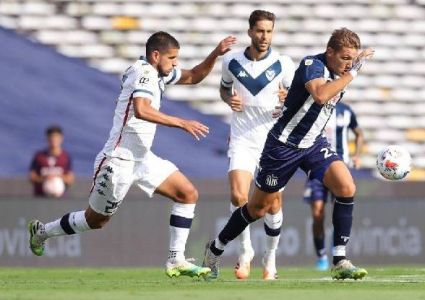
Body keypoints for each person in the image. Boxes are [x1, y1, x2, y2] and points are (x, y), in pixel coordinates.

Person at [28, 31, 236, 278]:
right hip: (119, 159)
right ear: (155, 55)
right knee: (96, 221)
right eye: (172, 58)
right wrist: (181, 122)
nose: (175, 63)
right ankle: (43, 231)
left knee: (187, 193)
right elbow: (141, 110)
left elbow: (193, 76)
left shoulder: (157, 74)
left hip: (142, 157)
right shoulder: (144, 72)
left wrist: (215, 52)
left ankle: (175, 260)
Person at [203, 28, 374, 280]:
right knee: (257, 209)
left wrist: (348, 70)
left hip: (313, 144)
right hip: (283, 146)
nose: (348, 64)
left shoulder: (339, 72)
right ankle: (215, 248)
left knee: (346, 187)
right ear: (330, 52)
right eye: (344, 58)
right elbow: (320, 95)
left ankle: (339, 259)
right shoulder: (311, 64)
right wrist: (355, 71)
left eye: (352, 59)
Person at [219, 10, 295, 280]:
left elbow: (298, 98)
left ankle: (270, 257)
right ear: (250, 31)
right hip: (242, 138)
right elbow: (224, 89)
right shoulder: (231, 61)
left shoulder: (284, 63)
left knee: (272, 205)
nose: (265, 37)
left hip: (273, 142)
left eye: (269, 31)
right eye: (260, 31)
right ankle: (245, 251)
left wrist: (289, 97)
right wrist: (229, 100)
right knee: (239, 196)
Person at [303, 101, 364, 271]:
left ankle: (338, 252)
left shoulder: (345, 110)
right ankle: (321, 255)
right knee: (317, 213)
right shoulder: (315, 104)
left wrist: (357, 156)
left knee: (339, 207)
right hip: (317, 164)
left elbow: (359, 133)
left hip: (340, 167)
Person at [29, 125, 74, 197]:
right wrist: (45, 179)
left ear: (61, 138)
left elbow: (70, 179)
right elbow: (32, 177)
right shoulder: (39, 156)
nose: (54, 140)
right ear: (47, 138)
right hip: (40, 198)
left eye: (56, 137)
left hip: (61, 199)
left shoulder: (65, 157)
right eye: (51, 137)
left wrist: (58, 177)